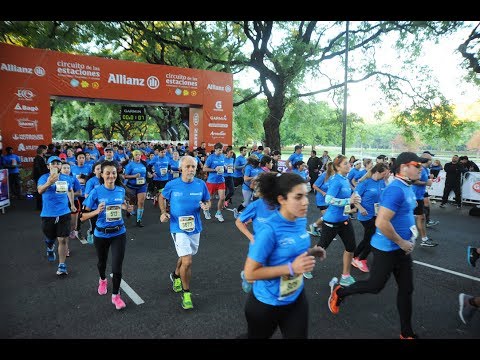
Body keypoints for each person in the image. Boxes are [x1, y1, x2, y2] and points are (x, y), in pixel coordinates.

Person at [328, 152, 428, 339]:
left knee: (406, 290)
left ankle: (406, 333)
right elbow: (381, 222)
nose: (421, 169)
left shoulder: (407, 186)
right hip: (386, 248)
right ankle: (341, 291)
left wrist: (408, 240)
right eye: (418, 165)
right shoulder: (396, 189)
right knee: (375, 286)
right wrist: (402, 242)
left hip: (403, 249)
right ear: (404, 167)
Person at [242, 172, 326, 339]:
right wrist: (291, 268)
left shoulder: (300, 220)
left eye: (306, 195)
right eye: (298, 197)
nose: (306, 202)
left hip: (295, 297)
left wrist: (310, 252)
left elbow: (289, 251)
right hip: (266, 303)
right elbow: (250, 274)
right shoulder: (268, 230)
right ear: (282, 200)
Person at [159, 156, 211, 310]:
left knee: (186, 256)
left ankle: (175, 275)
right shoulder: (172, 184)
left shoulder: (201, 185)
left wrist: (206, 206)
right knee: (187, 261)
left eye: (193, 167)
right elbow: (161, 197)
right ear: (181, 168)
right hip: (177, 227)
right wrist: (163, 212)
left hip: (195, 227)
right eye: (188, 166)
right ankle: (186, 293)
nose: (191, 170)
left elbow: (207, 200)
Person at [81, 160, 133, 310]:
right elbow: (83, 216)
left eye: (114, 173)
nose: (111, 175)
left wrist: (127, 208)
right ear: (101, 174)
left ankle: (116, 296)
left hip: (119, 232)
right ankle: (102, 279)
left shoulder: (120, 190)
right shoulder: (96, 192)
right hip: (101, 234)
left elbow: (122, 205)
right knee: (102, 263)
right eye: (108, 173)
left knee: (117, 267)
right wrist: (97, 211)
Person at [316, 155, 361, 286]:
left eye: (349, 163)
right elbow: (328, 200)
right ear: (338, 167)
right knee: (320, 248)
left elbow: (345, 201)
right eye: (346, 164)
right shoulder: (336, 180)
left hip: (344, 220)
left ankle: (345, 276)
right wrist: (349, 201)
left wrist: (351, 208)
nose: (349, 165)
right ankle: (301, 267)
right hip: (331, 222)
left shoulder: (345, 179)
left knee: (351, 247)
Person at [37, 156, 76, 275]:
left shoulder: (66, 178)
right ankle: (49, 246)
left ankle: (62, 265)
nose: (56, 165)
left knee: (63, 239)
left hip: (64, 212)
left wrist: (72, 204)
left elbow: (69, 190)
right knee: (50, 237)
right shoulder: (43, 178)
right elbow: (40, 191)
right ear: (48, 166)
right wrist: (49, 182)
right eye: (53, 163)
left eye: (58, 163)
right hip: (48, 214)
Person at [33, 145, 48, 210]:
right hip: (39, 177)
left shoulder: (41, 158)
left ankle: (41, 206)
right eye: (46, 150)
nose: (47, 151)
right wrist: (42, 176)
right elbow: (38, 169)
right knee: (40, 192)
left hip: (41, 176)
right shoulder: (38, 158)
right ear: (43, 150)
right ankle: (39, 206)